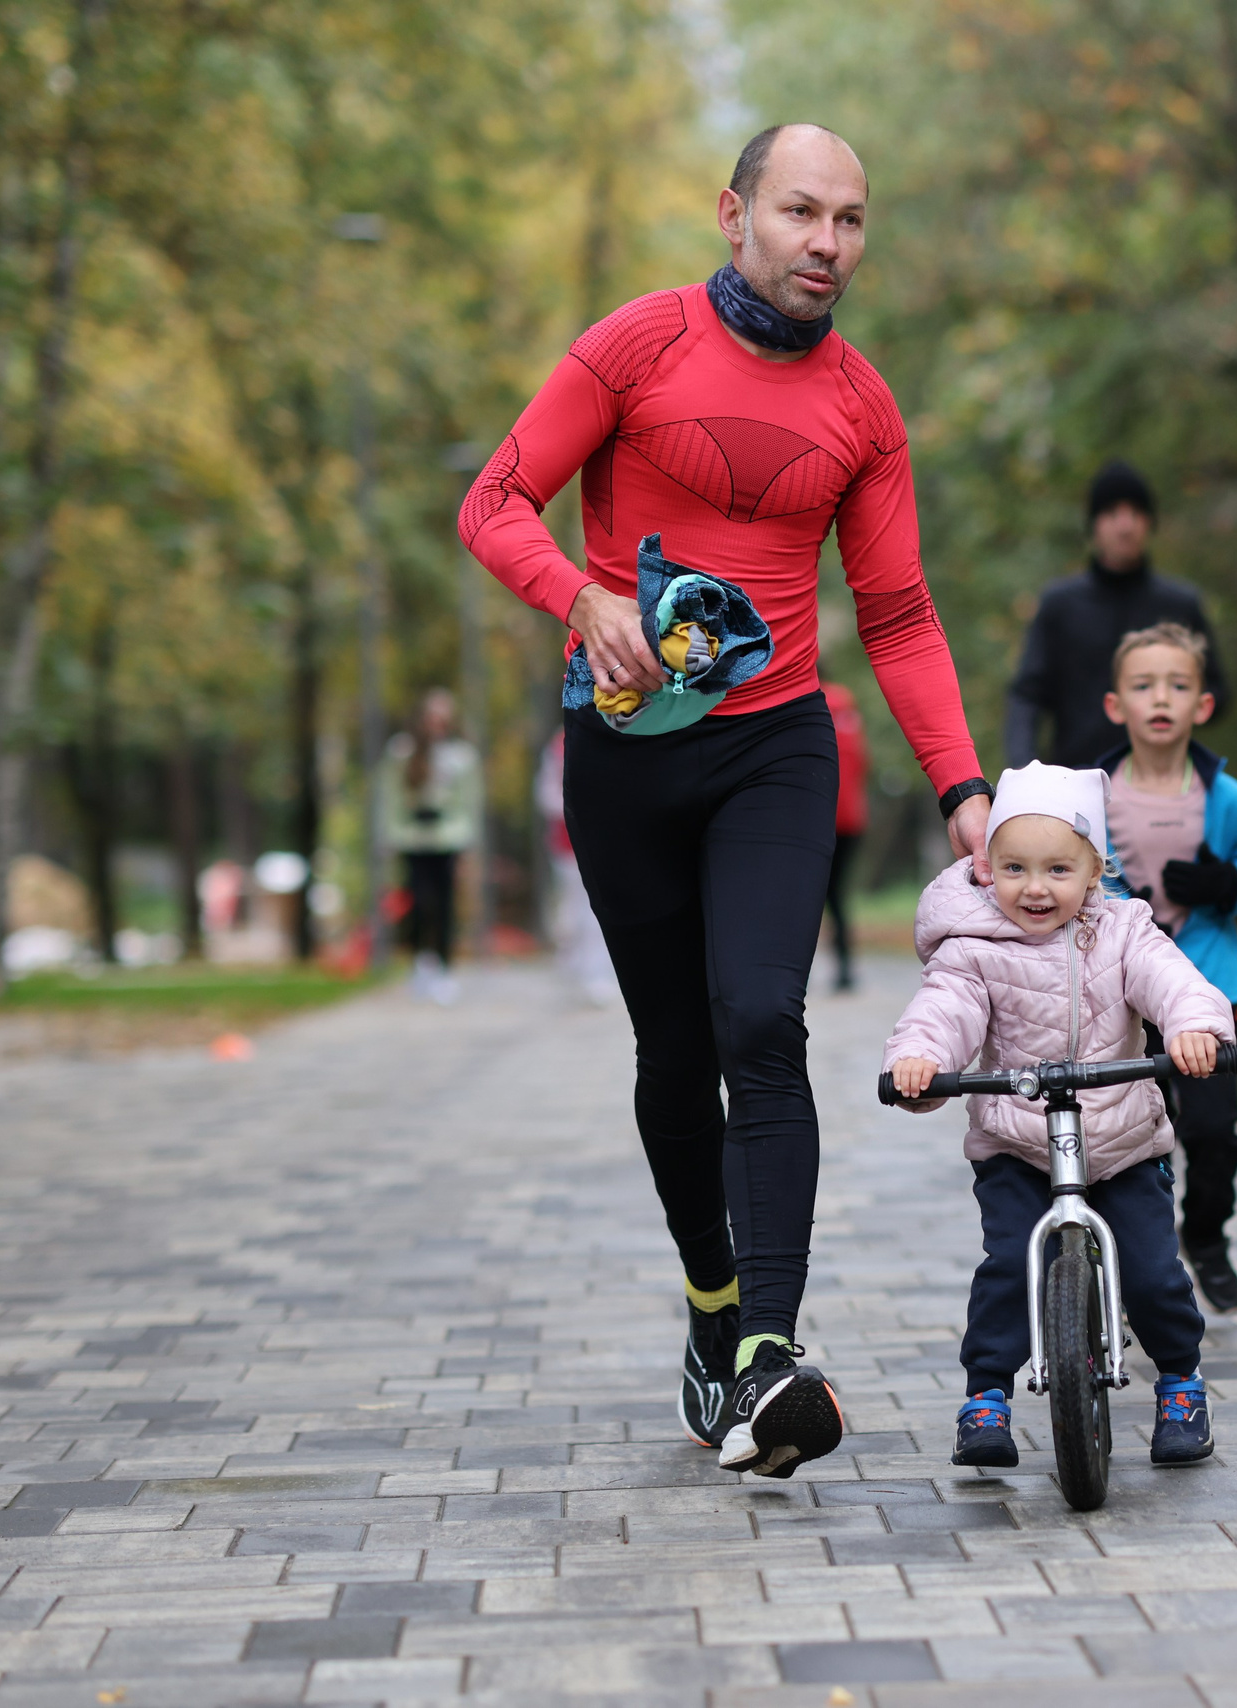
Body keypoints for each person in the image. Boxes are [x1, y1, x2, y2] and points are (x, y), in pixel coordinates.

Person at [457, 123, 994, 1479]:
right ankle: (712, 1305)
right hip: (626, 753)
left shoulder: (863, 407)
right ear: (734, 213)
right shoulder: (635, 346)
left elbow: (899, 613)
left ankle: (767, 1350)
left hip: (775, 749)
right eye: (802, 212)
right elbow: (495, 503)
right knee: (672, 1047)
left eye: (851, 220)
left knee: (761, 1019)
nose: (828, 243)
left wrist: (963, 787)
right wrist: (580, 597)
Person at [883, 763, 1235, 1468]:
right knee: (1010, 1268)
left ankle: (1180, 1383)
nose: (1035, 888)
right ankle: (986, 1396)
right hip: (1018, 1145)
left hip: (1122, 1143)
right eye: (1014, 868)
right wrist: (919, 1060)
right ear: (988, 866)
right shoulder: (973, 946)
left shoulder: (1124, 930)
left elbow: (1173, 982)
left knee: (1153, 1272)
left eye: (1057, 869)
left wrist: (1194, 1028)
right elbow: (944, 1010)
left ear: (1095, 870)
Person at [1095, 624, 1237, 1313]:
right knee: (1138, 1136)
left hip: (1212, 988)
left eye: (1178, 685)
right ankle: (1146, 1258)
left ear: (1203, 704)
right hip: (1128, 997)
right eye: (1144, 686)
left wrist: (1227, 884)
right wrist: (1124, 911)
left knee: (1212, 1131)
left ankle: (1207, 1235)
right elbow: (1075, 874)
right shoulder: (1094, 796)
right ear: (1117, 706)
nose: (1161, 698)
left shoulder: (1228, 797)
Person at [1004, 460, 1230, 768]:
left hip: (1164, 778)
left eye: (1136, 513)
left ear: (1149, 523)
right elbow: (1027, 695)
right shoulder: (1060, 605)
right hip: (1077, 776)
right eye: (1112, 513)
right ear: (1094, 525)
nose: (1125, 526)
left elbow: (1216, 692)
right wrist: (1024, 768)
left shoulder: (1180, 604)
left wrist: (1173, 700)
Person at [379, 688, 482, 1006]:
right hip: (413, 839)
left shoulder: (461, 756)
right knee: (418, 903)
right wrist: (390, 837)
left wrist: (467, 846)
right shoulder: (401, 751)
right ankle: (421, 963)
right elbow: (390, 797)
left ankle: (445, 967)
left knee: (445, 906)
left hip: (448, 839)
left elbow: (469, 803)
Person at [533, 730, 617, 1007]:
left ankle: (597, 970)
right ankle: (580, 962)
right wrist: (576, 806)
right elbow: (545, 793)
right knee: (576, 906)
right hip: (567, 841)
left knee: (596, 906)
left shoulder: (618, 730)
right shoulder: (558, 745)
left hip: (606, 837)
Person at [821, 677, 868, 993]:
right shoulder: (847, 707)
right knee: (837, 895)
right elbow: (864, 762)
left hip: (816, 816)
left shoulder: (807, 701)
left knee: (805, 894)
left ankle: (796, 971)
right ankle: (845, 968)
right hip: (852, 818)